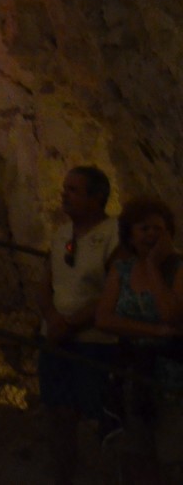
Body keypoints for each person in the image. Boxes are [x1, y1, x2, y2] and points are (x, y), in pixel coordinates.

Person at [37, 165, 120, 485]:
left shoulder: (114, 235)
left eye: (74, 190)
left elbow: (112, 291)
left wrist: (69, 323)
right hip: (57, 340)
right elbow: (46, 282)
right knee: (57, 415)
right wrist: (52, 319)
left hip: (94, 343)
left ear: (96, 198)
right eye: (65, 188)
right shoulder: (61, 234)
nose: (65, 195)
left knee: (96, 418)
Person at [95, 197, 183, 485]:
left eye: (158, 229)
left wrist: (154, 268)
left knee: (173, 456)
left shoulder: (178, 270)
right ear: (130, 234)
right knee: (136, 456)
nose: (152, 235)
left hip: (172, 378)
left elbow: (171, 314)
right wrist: (153, 332)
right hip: (133, 372)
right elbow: (104, 319)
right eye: (144, 228)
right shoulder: (121, 271)